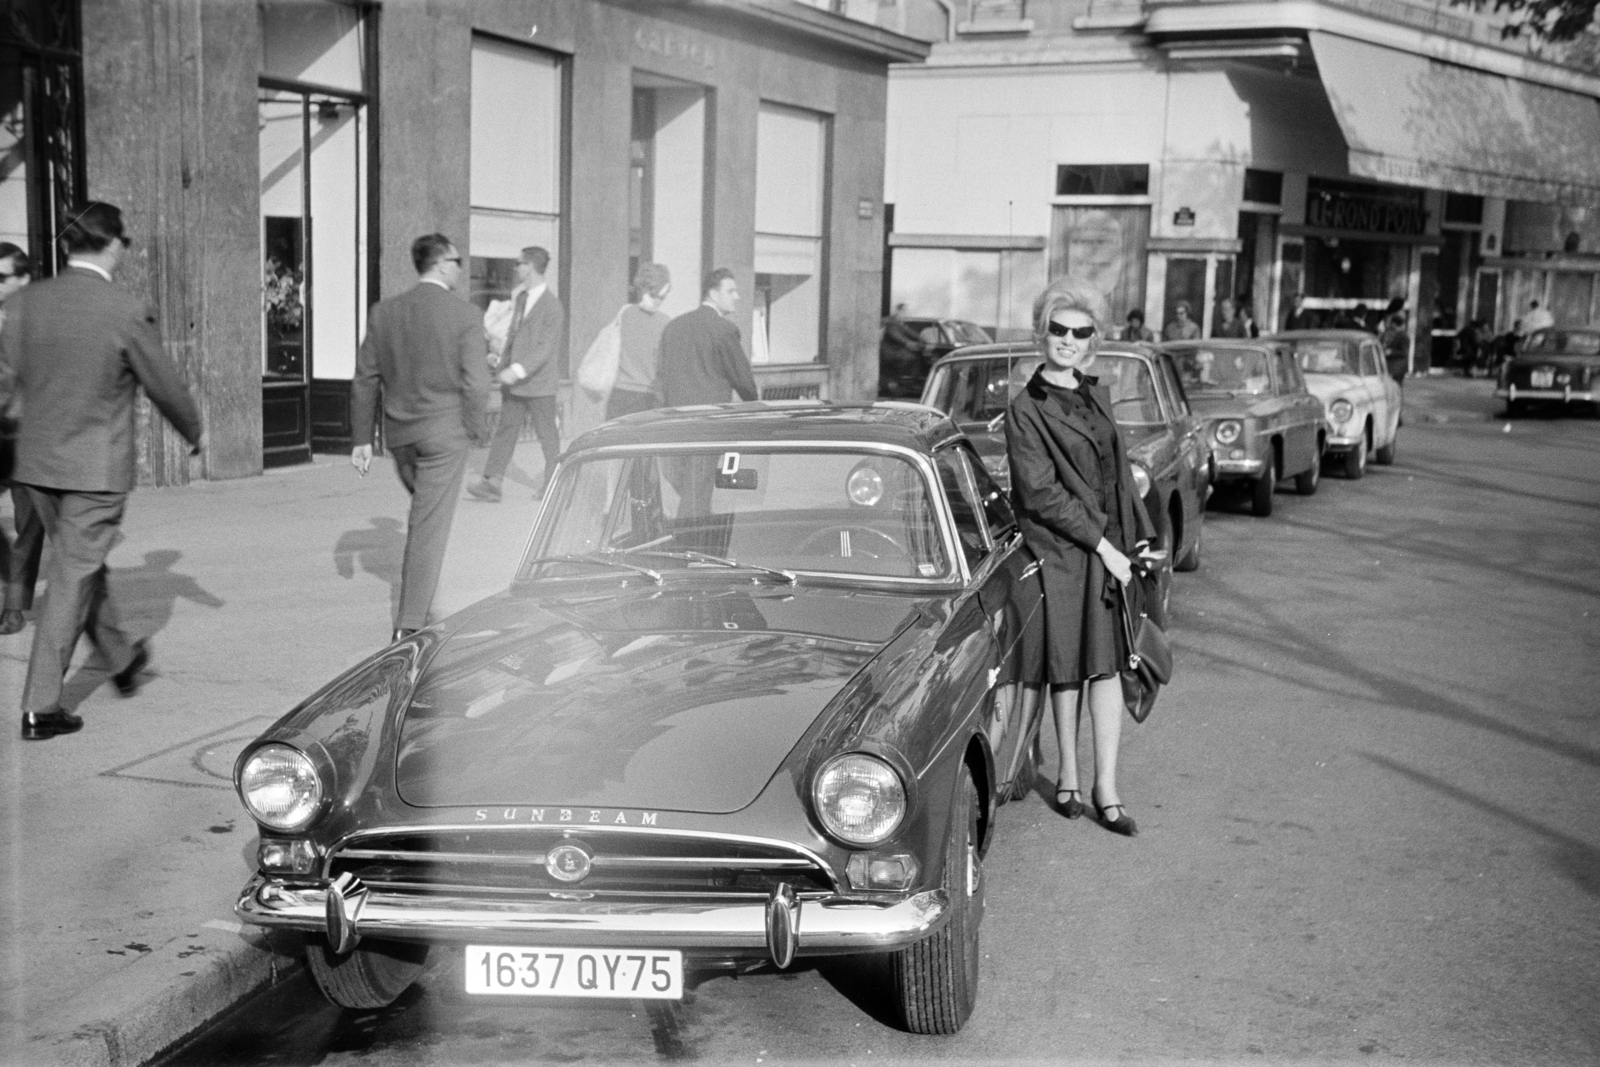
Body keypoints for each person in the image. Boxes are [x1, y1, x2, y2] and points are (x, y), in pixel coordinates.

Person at [0, 202, 203, 740]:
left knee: (81, 567)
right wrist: (194, 431)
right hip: (94, 468)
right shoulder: (124, 308)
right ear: (113, 244)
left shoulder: (23, 304)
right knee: (73, 576)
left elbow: (2, 383)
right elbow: (163, 382)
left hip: (35, 465)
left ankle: (122, 659)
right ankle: (42, 707)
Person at [1005, 280, 1157, 837]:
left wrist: (1137, 538)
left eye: (1080, 332)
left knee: (1110, 665)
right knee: (1068, 666)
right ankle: (1068, 777)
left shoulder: (1097, 393)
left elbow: (1117, 473)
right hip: (1064, 550)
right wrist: (1106, 546)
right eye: (1058, 330)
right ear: (1042, 334)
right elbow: (1042, 494)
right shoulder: (1026, 409)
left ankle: (1106, 788)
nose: (1068, 340)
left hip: (1109, 547)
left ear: (1095, 340)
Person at [350, 233, 490, 641]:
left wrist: (361, 439)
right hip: (443, 435)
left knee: (427, 517)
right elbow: (477, 384)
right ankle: (409, 624)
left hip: (399, 437)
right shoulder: (465, 315)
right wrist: (475, 430)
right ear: (443, 264)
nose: (461, 269)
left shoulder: (384, 312)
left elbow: (365, 378)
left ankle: (425, 595)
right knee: (428, 525)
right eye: (458, 261)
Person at [467, 246, 565, 501]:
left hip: (539, 384)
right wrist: (499, 362)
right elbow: (513, 337)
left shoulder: (552, 307)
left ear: (530, 266)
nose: (515, 268)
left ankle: (554, 485)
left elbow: (545, 349)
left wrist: (517, 370)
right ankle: (492, 483)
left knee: (547, 436)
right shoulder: (521, 298)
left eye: (518, 263)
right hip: (516, 381)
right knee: (505, 430)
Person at [1, 242, 43, 635]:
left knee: (30, 522)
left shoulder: (43, 319)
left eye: (2, 277)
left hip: (33, 434)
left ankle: (13, 606)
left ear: (24, 278)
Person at [657, 268, 758, 407]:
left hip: (676, 416)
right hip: (710, 417)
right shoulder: (724, 329)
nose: (736, 297)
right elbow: (743, 381)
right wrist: (755, 404)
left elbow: (662, 375)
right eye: (730, 291)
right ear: (713, 294)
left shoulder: (673, 327)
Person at [606, 263, 673, 421]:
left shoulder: (624, 314)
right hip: (648, 397)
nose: (658, 301)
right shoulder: (665, 322)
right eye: (657, 295)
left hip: (620, 394)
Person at [1381, 311, 1410, 383]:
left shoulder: (1403, 336)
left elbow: (1404, 352)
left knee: (1396, 387)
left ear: (1394, 324)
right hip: (1393, 367)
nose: (1390, 325)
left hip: (1399, 368)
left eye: (1391, 323)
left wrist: (1391, 352)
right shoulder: (1394, 334)